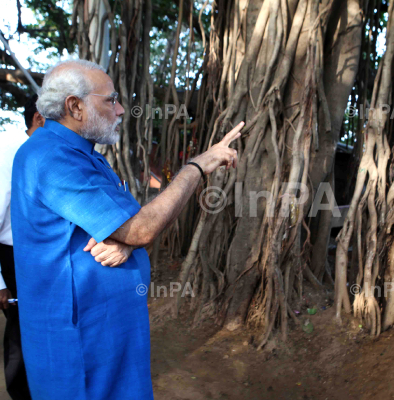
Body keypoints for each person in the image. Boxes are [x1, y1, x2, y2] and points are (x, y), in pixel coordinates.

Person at [11, 59, 242, 400]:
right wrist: (197, 166)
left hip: (107, 331)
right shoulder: (50, 158)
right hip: (77, 339)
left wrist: (127, 242)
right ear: (75, 106)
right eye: (111, 100)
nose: (121, 110)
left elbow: (129, 225)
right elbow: (141, 227)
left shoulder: (86, 155)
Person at [0, 94, 45, 400]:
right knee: (20, 329)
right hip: (14, 257)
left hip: (39, 257)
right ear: (39, 119)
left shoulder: (41, 151)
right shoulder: (10, 151)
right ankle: (20, 393)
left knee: (39, 325)